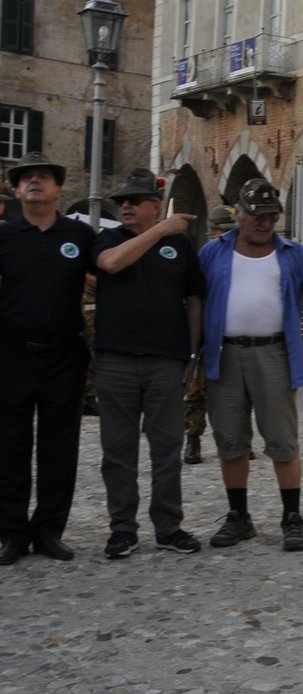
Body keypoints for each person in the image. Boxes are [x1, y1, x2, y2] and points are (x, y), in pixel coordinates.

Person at [197, 179, 303, 552]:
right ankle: (239, 517)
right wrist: (193, 358)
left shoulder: (293, 253)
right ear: (239, 213)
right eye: (257, 215)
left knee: (283, 441)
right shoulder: (212, 252)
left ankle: (292, 517)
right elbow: (195, 301)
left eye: (271, 216)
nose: (265, 223)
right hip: (225, 353)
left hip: (274, 355)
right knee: (231, 441)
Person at [93, 170, 206, 560]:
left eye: (134, 200)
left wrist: (193, 356)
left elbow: (194, 302)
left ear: (154, 207)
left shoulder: (181, 246)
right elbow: (110, 264)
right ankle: (122, 529)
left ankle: (168, 526)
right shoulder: (109, 239)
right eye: (122, 201)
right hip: (115, 361)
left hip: (165, 361)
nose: (125, 206)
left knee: (167, 450)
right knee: (118, 451)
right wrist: (159, 232)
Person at [0, 152, 98, 565]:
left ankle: (49, 531)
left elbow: (108, 275)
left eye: (44, 177)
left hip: (63, 355)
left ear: (59, 189)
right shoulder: (4, 235)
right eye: (27, 178)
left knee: (60, 447)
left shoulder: (81, 235)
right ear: (16, 190)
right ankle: (10, 533)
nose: (35, 182)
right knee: (9, 447)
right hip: (10, 356)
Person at [184, 204, 236, 465]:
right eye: (222, 232)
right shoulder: (206, 256)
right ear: (212, 232)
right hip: (205, 331)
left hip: (231, 334)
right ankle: (192, 439)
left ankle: (238, 440)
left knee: (236, 392)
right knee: (196, 389)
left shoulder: (241, 256)